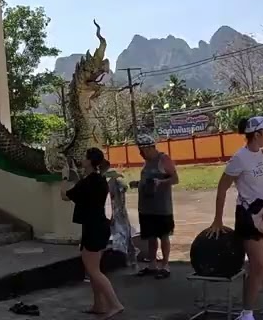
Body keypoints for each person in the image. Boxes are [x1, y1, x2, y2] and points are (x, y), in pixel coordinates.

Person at [206, 116, 263, 320]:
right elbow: (222, 188)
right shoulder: (239, 158)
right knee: (258, 265)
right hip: (248, 216)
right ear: (256, 134)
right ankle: (247, 313)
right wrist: (217, 220)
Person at [63, 147, 125, 318]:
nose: (81, 159)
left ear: (89, 161)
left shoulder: (87, 182)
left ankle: (115, 304)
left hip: (93, 228)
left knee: (93, 270)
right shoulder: (99, 180)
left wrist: (64, 177)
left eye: (84, 157)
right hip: (100, 226)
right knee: (93, 269)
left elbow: (65, 195)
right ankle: (99, 304)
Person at [132, 134, 179, 278]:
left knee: (164, 236)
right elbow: (146, 180)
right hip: (146, 207)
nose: (141, 154)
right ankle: (152, 264)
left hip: (162, 207)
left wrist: (161, 182)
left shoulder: (163, 159)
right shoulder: (146, 163)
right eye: (140, 151)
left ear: (151, 147)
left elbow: (175, 179)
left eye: (143, 150)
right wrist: (137, 184)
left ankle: (165, 265)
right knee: (150, 237)